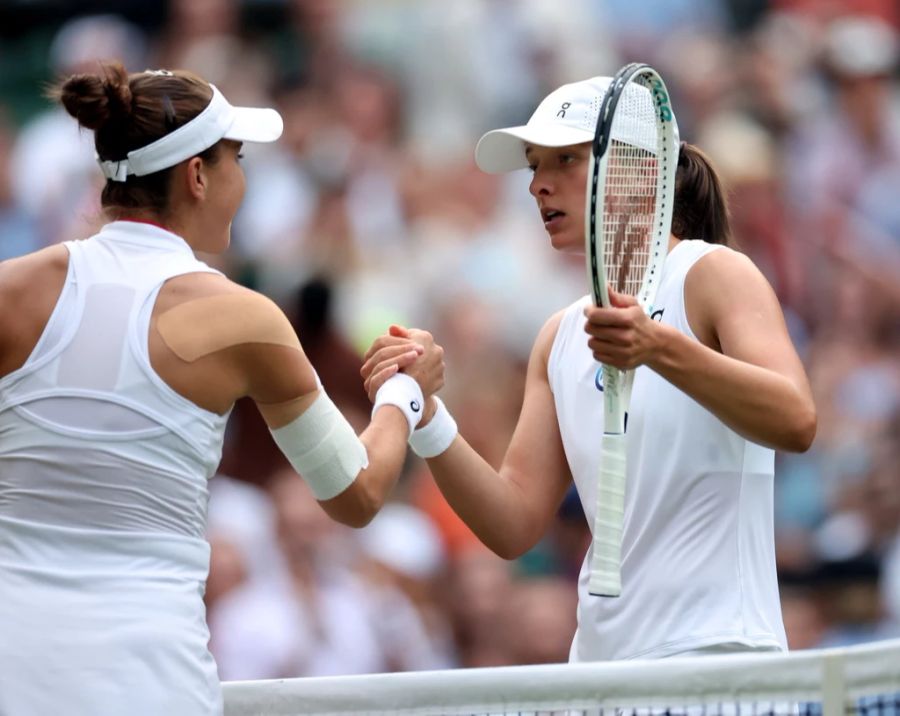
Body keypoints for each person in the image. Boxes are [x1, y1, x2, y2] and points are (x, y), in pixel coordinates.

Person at [0, 62, 442, 715]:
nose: (244, 181)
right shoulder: (244, 319)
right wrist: (402, 398)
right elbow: (357, 495)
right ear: (198, 176)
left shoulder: (10, 288)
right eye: (237, 158)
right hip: (147, 683)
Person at [362, 75, 817, 662]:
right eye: (533, 166)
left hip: (718, 658)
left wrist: (658, 349)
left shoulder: (714, 273)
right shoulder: (558, 336)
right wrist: (426, 415)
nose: (537, 185)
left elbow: (797, 418)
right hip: (601, 674)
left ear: (639, 170)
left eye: (566, 161)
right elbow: (513, 524)